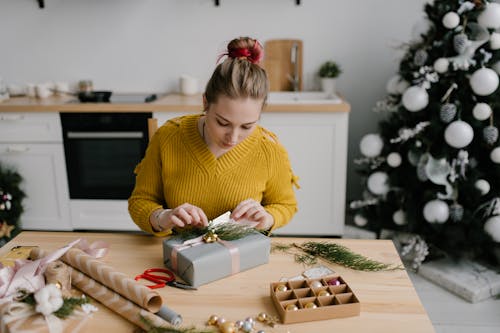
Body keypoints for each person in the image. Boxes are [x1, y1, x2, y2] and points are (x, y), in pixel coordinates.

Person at [128, 36, 298, 236]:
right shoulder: (168, 136)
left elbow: (285, 205)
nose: (233, 138)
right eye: (223, 123)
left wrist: (267, 218)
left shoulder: (269, 149)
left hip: (240, 256)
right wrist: (163, 217)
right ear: (205, 103)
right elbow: (140, 201)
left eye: (247, 126)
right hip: (176, 257)